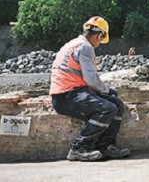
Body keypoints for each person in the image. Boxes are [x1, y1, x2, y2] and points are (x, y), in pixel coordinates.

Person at [49, 16, 131, 161]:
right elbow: (91, 79)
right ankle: (78, 147)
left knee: (117, 104)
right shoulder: (85, 47)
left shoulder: (73, 44)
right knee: (108, 108)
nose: (98, 44)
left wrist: (105, 92)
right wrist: (107, 90)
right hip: (67, 96)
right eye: (100, 40)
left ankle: (106, 146)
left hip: (69, 93)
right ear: (100, 35)